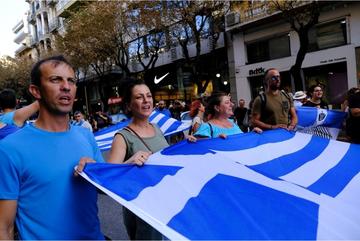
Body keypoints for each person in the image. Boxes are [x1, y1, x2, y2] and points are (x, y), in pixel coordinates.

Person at [0, 55, 104, 240]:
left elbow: (103, 187)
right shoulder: (9, 149)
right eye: (56, 79)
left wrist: (95, 171)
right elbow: (4, 228)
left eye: (71, 80)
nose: (66, 86)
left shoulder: (86, 136)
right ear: (36, 91)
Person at [107, 79, 168, 240]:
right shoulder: (123, 137)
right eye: (139, 97)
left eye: (148, 95)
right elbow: (108, 178)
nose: (146, 100)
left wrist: (188, 145)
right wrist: (129, 162)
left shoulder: (157, 128)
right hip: (143, 210)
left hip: (165, 202)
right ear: (128, 105)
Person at [192, 92, 262, 139]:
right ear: (217, 108)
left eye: (230, 102)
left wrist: (251, 134)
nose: (232, 105)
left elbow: (241, 140)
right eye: (227, 102)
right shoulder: (206, 127)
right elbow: (200, 151)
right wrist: (215, 142)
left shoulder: (233, 123)